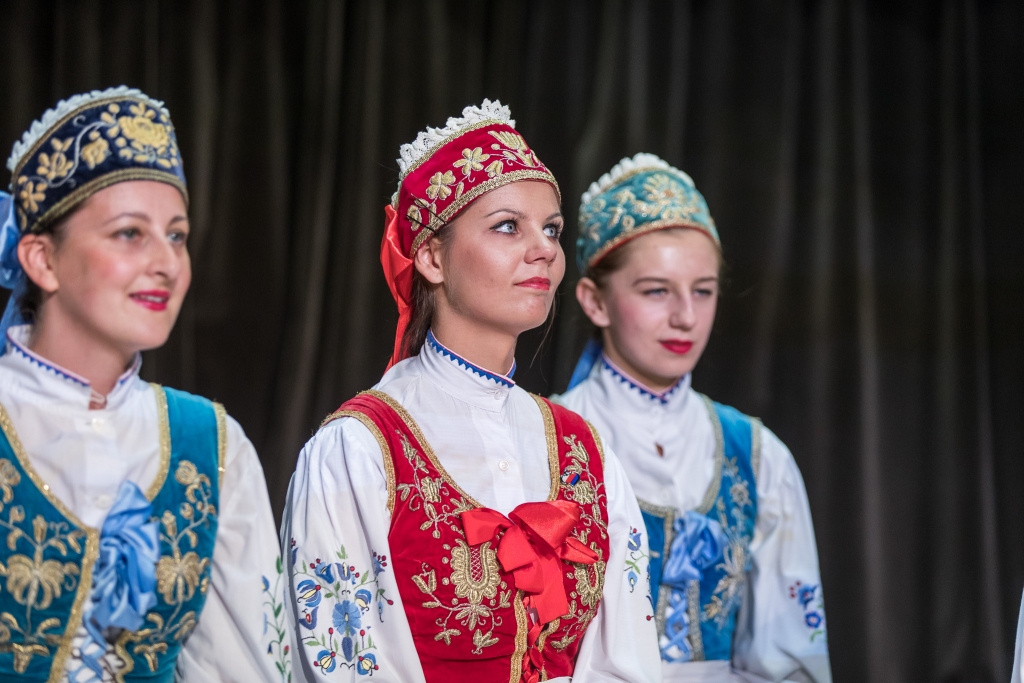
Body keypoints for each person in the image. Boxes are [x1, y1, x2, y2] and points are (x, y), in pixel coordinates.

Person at [282, 101, 659, 682]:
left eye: (552, 229)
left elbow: (627, 659)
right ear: (432, 257)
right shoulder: (359, 449)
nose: (544, 249)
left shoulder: (583, 450)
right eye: (508, 226)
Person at [0, 87, 288, 682]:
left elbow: (244, 670)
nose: (167, 263)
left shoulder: (213, 446)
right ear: (42, 260)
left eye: (177, 235)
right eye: (130, 233)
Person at [554, 154, 832, 682]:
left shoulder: (756, 455)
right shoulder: (548, 440)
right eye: (656, 291)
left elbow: (790, 657)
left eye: (702, 291)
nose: (685, 316)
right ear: (594, 302)